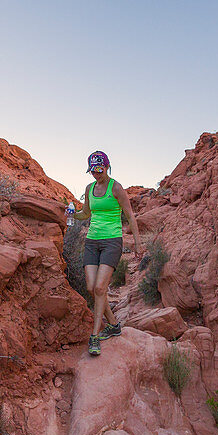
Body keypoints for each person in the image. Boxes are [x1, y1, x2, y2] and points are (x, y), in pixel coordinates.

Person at [70, 151, 141, 356]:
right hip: (92, 241)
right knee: (92, 288)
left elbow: (130, 215)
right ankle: (113, 324)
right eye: (93, 171)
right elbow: (86, 213)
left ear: (107, 167)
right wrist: (73, 214)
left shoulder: (116, 188)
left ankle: (95, 336)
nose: (96, 175)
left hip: (112, 241)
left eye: (99, 170)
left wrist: (137, 242)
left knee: (101, 287)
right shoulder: (89, 188)